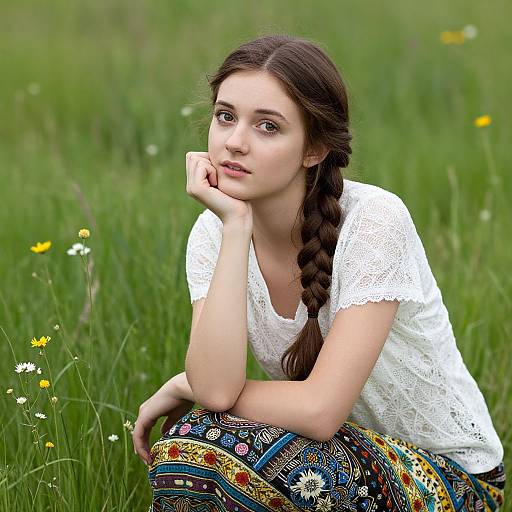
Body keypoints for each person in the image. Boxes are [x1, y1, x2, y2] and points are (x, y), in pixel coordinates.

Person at [133, 34, 506, 511]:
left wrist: (184, 384)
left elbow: (320, 410)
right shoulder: (215, 233)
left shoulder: (372, 222)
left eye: (267, 126)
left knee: (212, 450)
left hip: (453, 481)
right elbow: (218, 386)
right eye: (225, 116)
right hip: (340, 455)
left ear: (314, 149)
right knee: (185, 447)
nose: (234, 142)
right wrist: (235, 226)